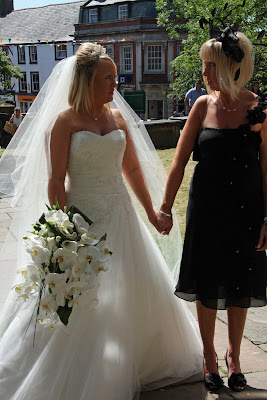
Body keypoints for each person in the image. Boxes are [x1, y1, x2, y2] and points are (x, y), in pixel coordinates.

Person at [0, 43, 203, 399]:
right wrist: (62, 230)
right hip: (82, 221)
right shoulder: (63, 122)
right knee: (83, 297)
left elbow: (134, 169)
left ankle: (133, 359)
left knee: (130, 289)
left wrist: (153, 213)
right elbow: (55, 180)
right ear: (86, 80)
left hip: (121, 215)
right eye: (107, 77)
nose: (115, 83)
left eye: (114, 76)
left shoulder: (117, 118)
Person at [158, 26, 267, 393]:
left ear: (228, 66)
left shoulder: (259, 109)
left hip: (247, 211)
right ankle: (208, 355)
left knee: (239, 283)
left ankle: (234, 356)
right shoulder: (202, 105)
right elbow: (179, 162)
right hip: (206, 211)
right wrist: (165, 207)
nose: (203, 73)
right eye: (204, 66)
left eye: (209, 65)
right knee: (205, 283)